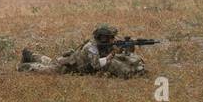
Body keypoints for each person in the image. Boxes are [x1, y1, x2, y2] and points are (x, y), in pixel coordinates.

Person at [18, 25, 146, 78]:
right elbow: (96, 65)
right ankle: (25, 64)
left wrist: (129, 46)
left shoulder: (109, 42)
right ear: (103, 37)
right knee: (45, 69)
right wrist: (112, 54)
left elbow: (124, 51)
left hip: (70, 61)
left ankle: (30, 54)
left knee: (51, 61)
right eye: (111, 37)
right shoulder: (91, 48)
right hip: (69, 67)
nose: (114, 39)